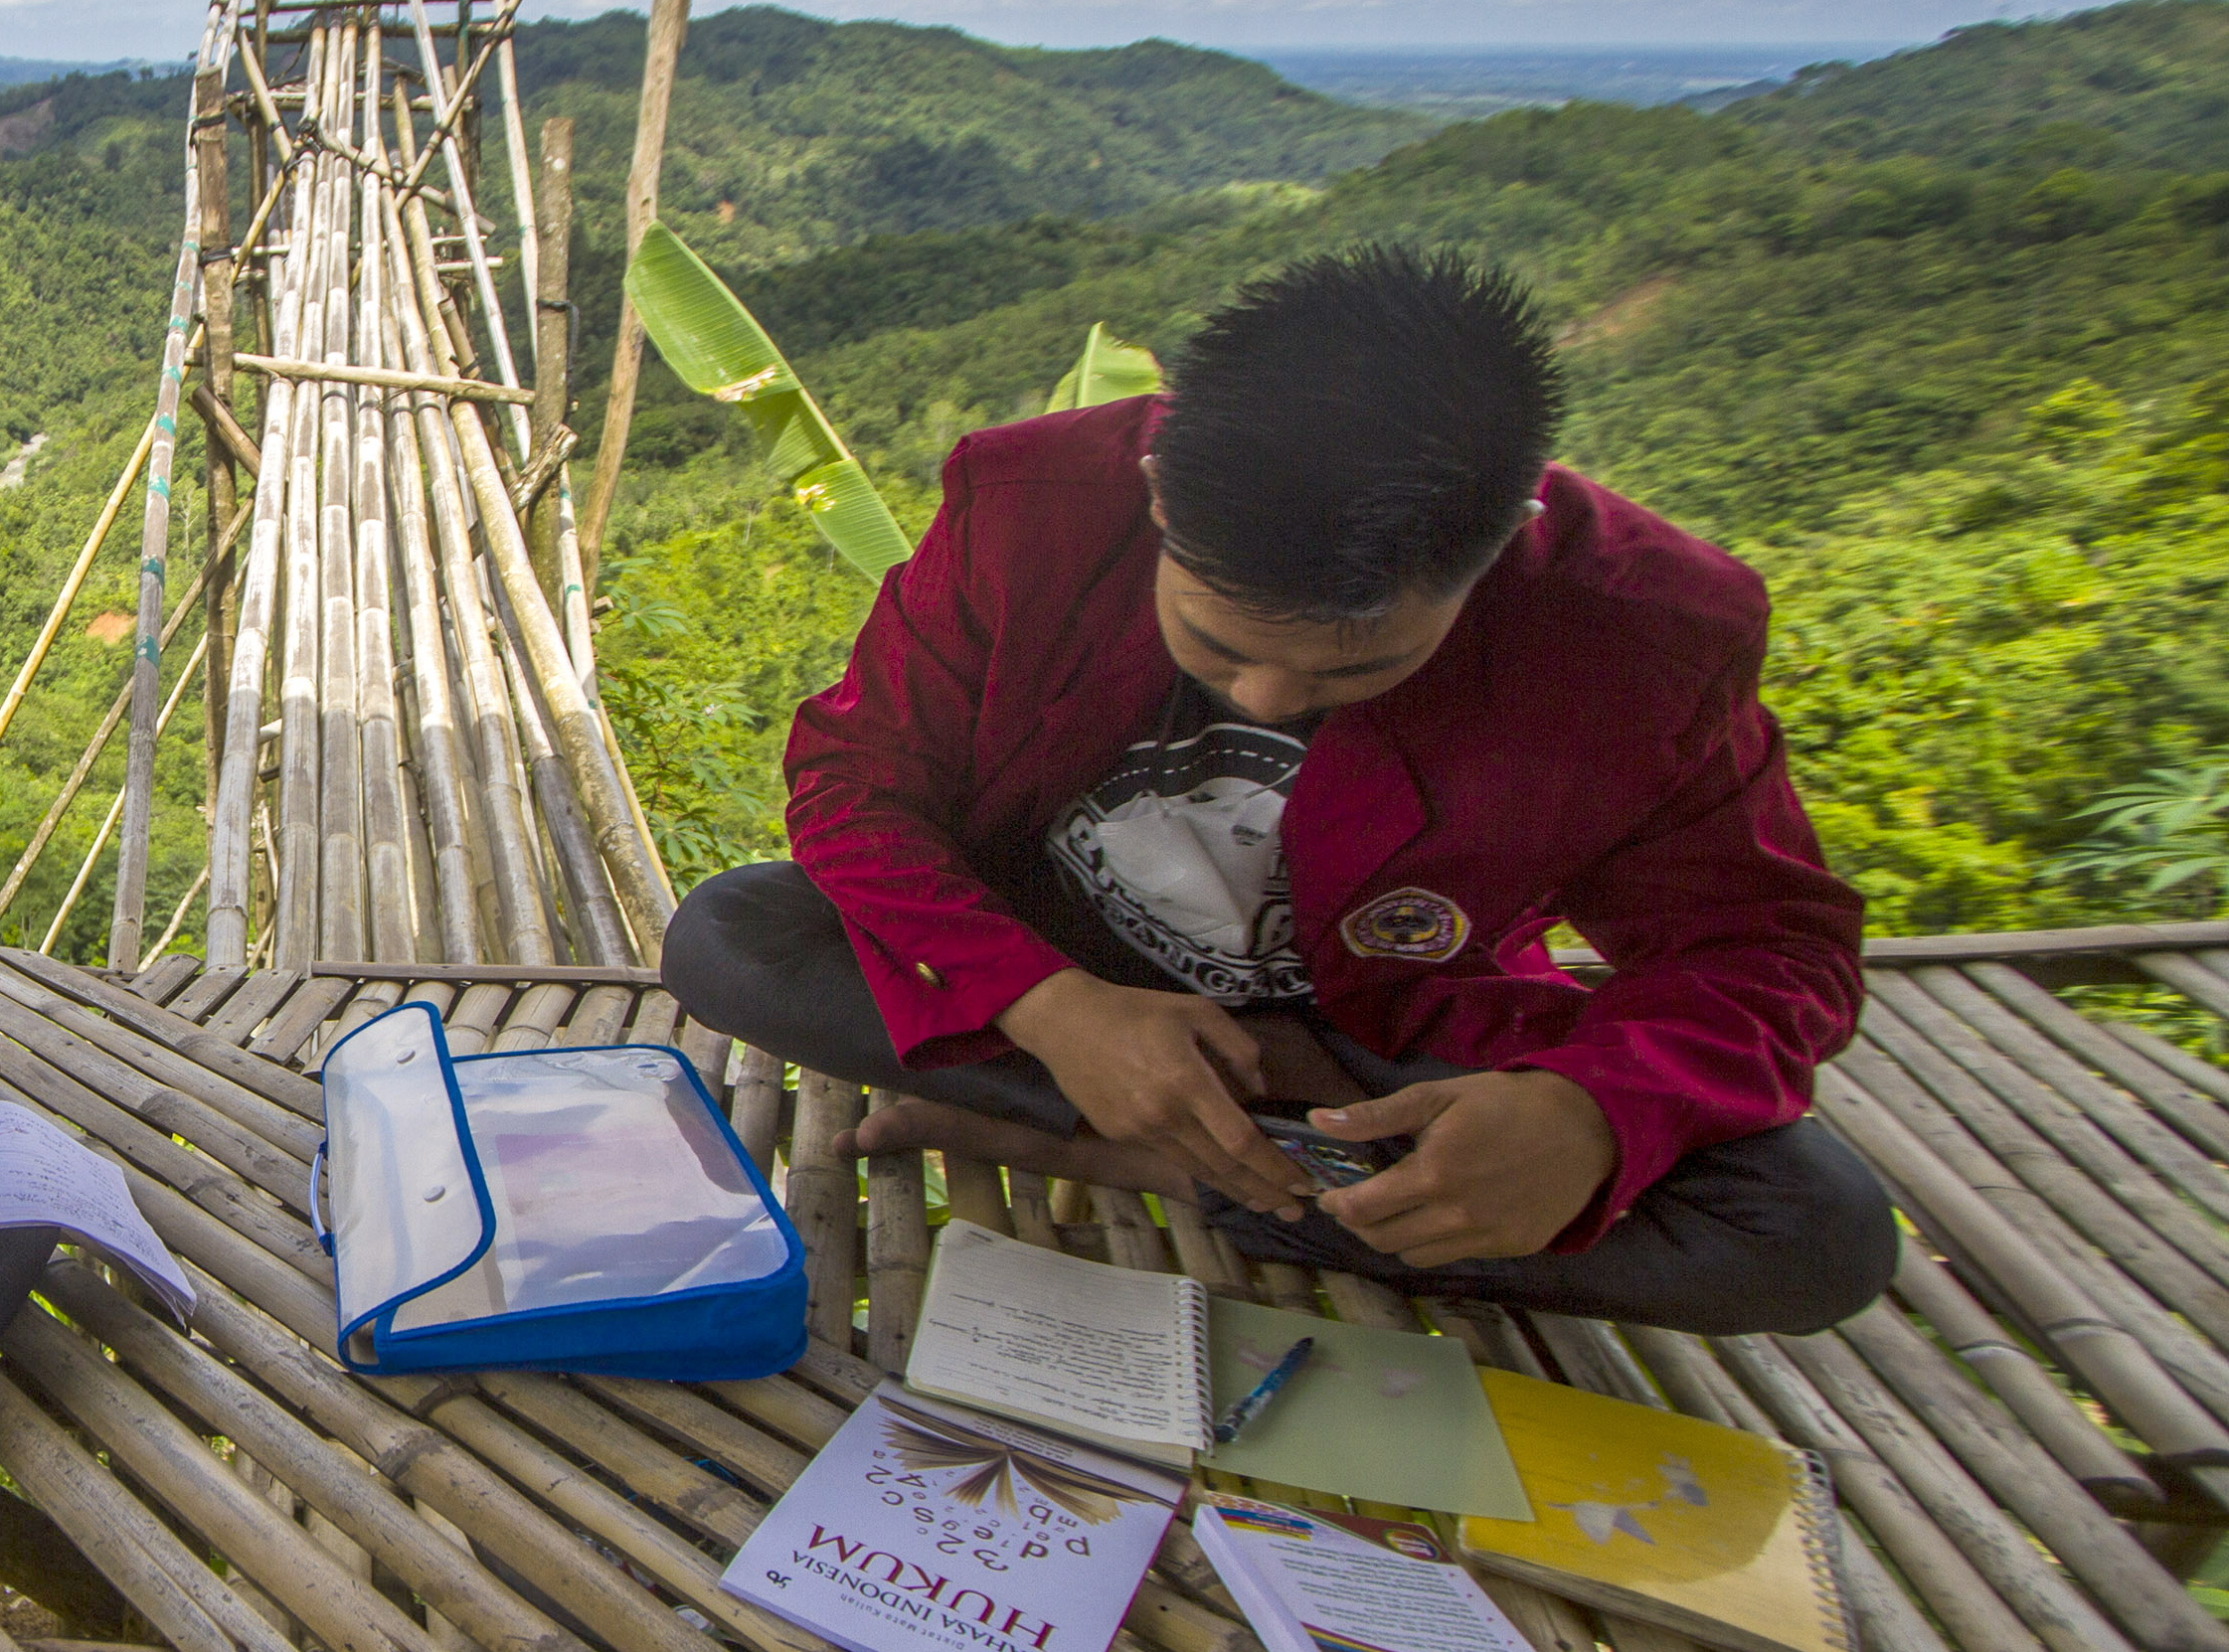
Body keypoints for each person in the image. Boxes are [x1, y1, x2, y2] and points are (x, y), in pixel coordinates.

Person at [662, 246, 1897, 1338]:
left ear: (1499, 542)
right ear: (1156, 495)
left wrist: (1588, 1117)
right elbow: (853, 783)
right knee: (732, 935)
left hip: (1369, 1039)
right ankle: (1206, 1157)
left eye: (1361, 667)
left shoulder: (1644, 633)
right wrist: (1053, 1009)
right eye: (1213, 645)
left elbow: (1766, 946)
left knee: (1812, 1231)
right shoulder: (1029, 505)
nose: (1263, 697)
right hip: (1062, 970)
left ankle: (1137, 1150)